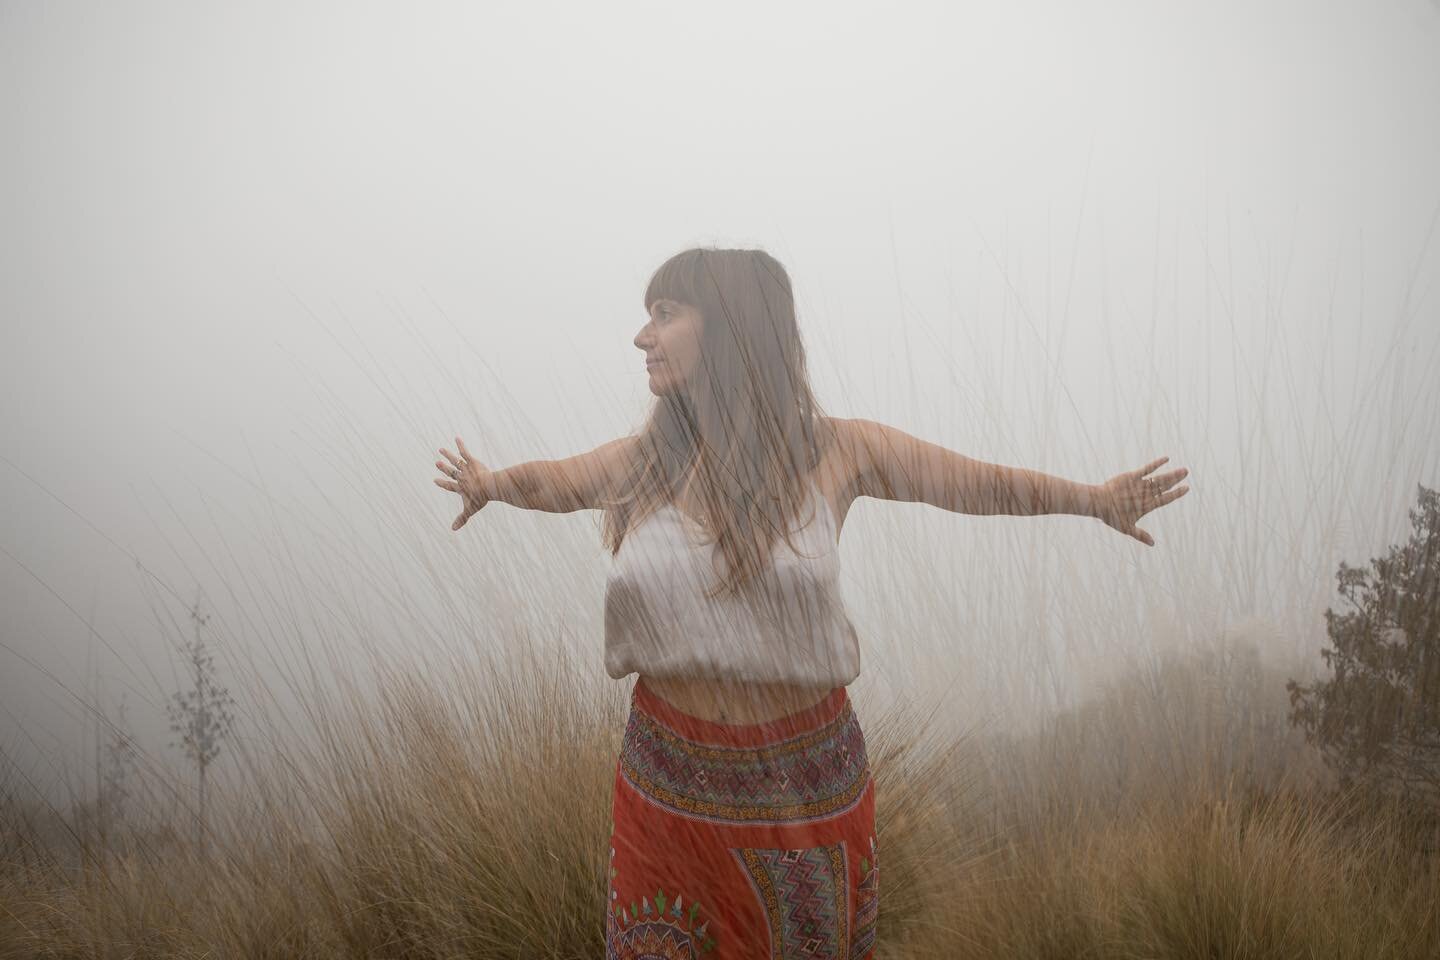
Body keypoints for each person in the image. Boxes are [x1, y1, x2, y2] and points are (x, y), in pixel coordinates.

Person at [432, 247, 1190, 957]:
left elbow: (976, 484)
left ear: (728, 327)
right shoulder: (647, 460)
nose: (642, 336)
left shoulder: (838, 449)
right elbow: (555, 485)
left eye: (665, 313)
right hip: (662, 787)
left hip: (806, 793)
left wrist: (1093, 499)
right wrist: (492, 485)